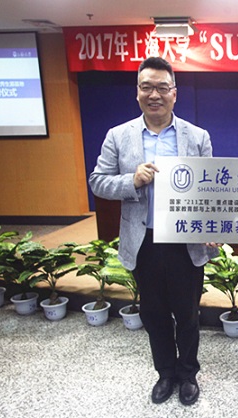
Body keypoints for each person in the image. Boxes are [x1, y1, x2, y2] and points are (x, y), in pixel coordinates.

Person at [89, 57, 218, 406]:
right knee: (154, 313)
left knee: (188, 314)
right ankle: (165, 373)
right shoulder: (118, 136)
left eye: (162, 87)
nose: (154, 94)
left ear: (174, 93)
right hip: (143, 241)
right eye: (147, 87)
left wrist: (213, 225)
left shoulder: (197, 136)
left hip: (184, 241)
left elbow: (209, 190)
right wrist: (131, 180)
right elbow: (98, 182)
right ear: (137, 92)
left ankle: (188, 374)